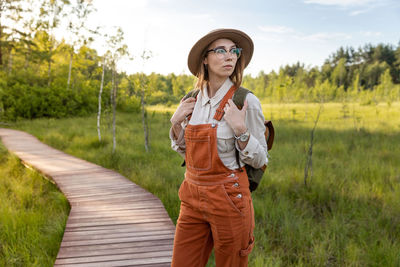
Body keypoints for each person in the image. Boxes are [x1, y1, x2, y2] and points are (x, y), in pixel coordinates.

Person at [169, 28, 268, 267]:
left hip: (229, 198)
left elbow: (261, 159)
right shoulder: (191, 99)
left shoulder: (245, 101)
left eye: (234, 51)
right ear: (205, 58)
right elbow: (187, 152)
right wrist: (175, 123)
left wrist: (241, 131)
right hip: (191, 196)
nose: (230, 56)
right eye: (221, 50)